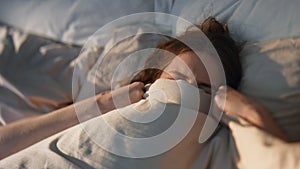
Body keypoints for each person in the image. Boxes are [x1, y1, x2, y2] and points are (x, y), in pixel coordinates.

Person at [0, 17, 287, 161]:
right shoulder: (104, 111)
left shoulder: (218, 139)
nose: (185, 91)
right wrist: (100, 104)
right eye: (175, 79)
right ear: (151, 80)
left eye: (203, 88)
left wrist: (248, 110)